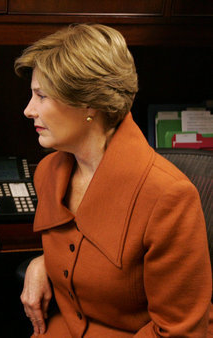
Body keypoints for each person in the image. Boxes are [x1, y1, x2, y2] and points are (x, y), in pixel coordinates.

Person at [14, 23, 212, 337]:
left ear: (88, 103)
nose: (29, 110)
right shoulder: (49, 172)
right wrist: (43, 263)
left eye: (41, 96)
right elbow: (79, 252)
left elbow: (181, 332)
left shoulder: (169, 196)